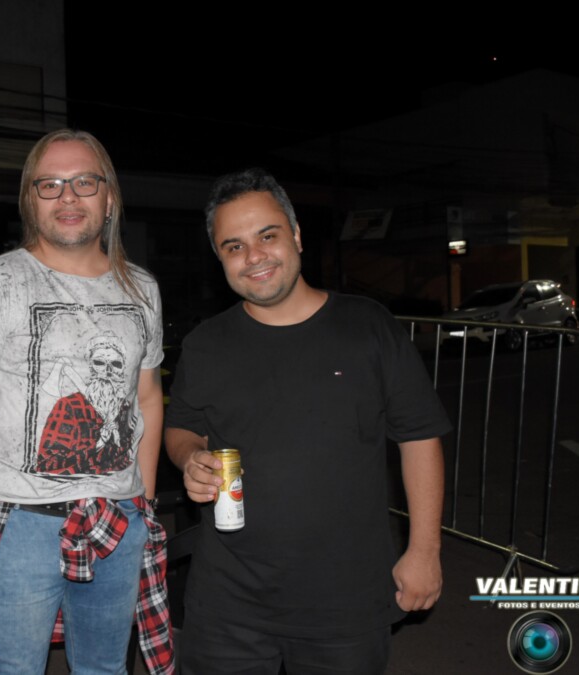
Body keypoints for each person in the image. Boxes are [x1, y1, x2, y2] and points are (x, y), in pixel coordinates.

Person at [165, 168, 450, 675]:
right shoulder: (205, 344)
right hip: (227, 603)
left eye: (267, 236)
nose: (254, 256)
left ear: (296, 235)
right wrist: (190, 457)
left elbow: (419, 437)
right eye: (234, 246)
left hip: (345, 601)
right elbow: (181, 425)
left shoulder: (368, 326)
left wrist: (424, 551)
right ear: (219, 258)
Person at [0, 129, 173, 674]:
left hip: (118, 522)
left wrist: (144, 508)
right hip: (20, 528)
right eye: (50, 185)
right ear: (30, 201)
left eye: (84, 182)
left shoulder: (143, 289)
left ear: (109, 198)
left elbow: (148, 399)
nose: (68, 196)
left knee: (106, 669)